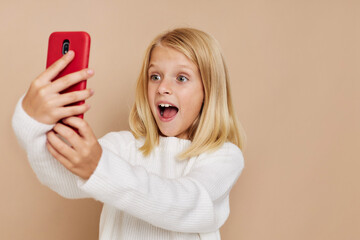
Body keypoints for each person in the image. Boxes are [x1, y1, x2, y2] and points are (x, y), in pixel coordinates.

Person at [12, 28, 246, 240]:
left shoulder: (223, 156)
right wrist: (31, 123)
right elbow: (64, 178)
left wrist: (100, 169)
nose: (163, 87)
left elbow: (185, 203)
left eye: (181, 78)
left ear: (209, 91)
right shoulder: (123, 146)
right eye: (155, 76)